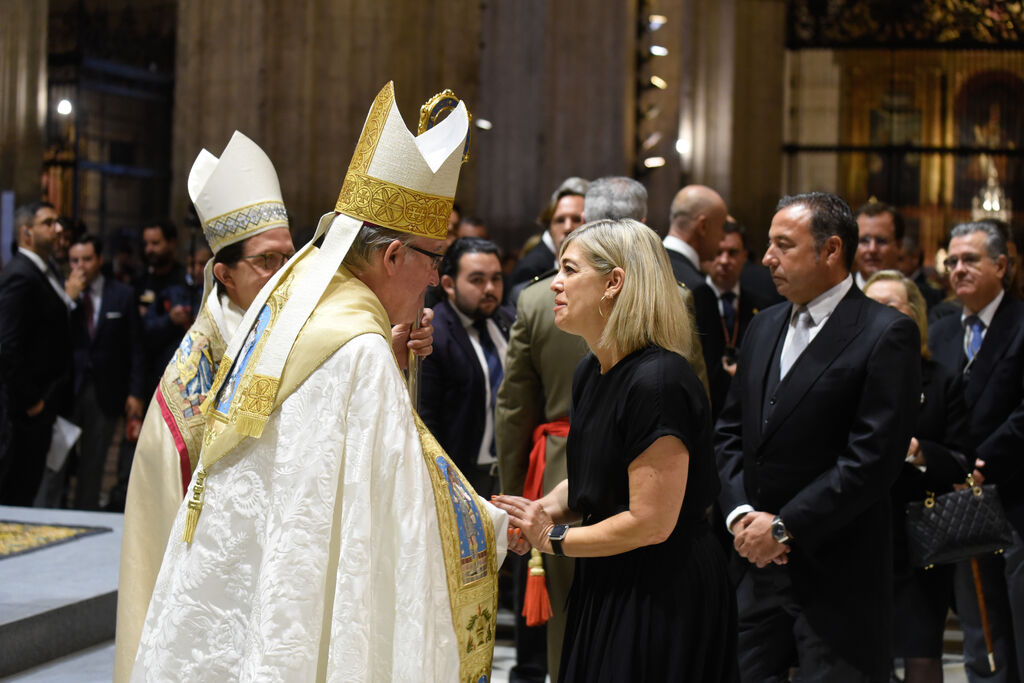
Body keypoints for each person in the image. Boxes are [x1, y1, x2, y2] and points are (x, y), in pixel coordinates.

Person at [131, 82, 508, 682]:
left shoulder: (294, 301)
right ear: (391, 258)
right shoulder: (356, 346)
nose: (435, 279)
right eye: (434, 259)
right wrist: (486, 520)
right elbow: (398, 514)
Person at [494, 218, 735, 682]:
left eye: (568, 270)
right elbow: (594, 481)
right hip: (610, 576)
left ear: (614, 282)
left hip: (662, 590)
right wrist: (536, 511)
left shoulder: (659, 382)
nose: (555, 285)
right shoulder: (592, 370)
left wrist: (553, 538)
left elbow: (650, 522)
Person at [113, 131, 296, 682]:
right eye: (267, 262)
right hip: (216, 583)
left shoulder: (298, 333)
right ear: (224, 274)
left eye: (290, 258)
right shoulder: (190, 379)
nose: (284, 276)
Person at [717, 191, 920, 682]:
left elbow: (871, 459)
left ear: (830, 251)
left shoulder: (885, 331)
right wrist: (742, 515)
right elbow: (727, 435)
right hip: (754, 567)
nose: (767, 258)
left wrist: (784, 527)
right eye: (768, 244)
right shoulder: (763, 326)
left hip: (839, 573)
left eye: (783, 245)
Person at [864, 270, 970, 683]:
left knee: (922, 653)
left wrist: (918, 450)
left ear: (914, 315)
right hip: (860, 535)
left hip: (922, 538)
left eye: (888, 307)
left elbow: (963, 460)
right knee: (864, 655)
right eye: (869, 307)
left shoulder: (942, 378)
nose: (878, 316)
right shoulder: (846, 374)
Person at [929, 221, 1024, 683]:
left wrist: (982, 462)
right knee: (976, 617)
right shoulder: (942, 331)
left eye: (970, 260)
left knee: (1018, 611)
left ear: (1001, 265)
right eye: (951, 261)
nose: (958, 269)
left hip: (1013, 489)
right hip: (960, 495)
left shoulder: (1021, 323)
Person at [421, 237, 513, 496]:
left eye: (496, 278)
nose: (490, 288)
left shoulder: (508, 321)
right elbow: (427, 417)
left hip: (508, 471)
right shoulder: (433, 333)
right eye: (477, 280)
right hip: (459, 476)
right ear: (448, 284)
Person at [0, 201, 74, 505]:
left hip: (44, 403)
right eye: (48, 223)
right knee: (16, 493)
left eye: (58, 222)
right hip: (24, 411)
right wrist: (31, 402)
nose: (57, 229)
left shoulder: (45, 270)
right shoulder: (21, 273)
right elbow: (7, 345)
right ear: (26, 231)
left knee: (28, 489)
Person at [67, 234, 145, 510]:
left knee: (93, 461)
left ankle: (84, 518)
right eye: (75, 260)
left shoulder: (121, 294)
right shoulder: (64, 293)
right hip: (68, 389)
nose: (81, 266)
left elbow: (135, 346)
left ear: (99, 259)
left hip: (105, 390)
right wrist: (68, 301)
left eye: (87, 259)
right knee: (58, 461)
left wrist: (135, 391)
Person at [663, 184, 729, 413]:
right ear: (703, 226)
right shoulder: (698, 289)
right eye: (721, 228)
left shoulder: (639, 269)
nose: (721, 239)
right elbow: (707, 377)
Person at [706, 220, 772, 418]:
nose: (725, 260)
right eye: (718, 252)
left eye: (733, 253)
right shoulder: (692, 301)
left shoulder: (764, 308)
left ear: (745, 256)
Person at [135, 220, 190, 396]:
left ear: (171, 242)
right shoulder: (140, 280)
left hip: (176, 371)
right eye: (146, 244)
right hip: (146, 371)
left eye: (155, 243)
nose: (149, 249)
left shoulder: (184, 280)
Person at [510, 177, 589, 287]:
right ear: (549, 226)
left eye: (576, 220)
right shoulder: (531, 268)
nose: (568, 227)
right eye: (560, 220)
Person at [854, 200, 904, 289]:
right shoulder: (836, 296)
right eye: (864, 241)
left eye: (881, 241)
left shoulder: (922, 298)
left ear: (899, 246)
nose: (872, 249)